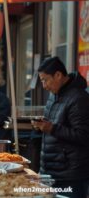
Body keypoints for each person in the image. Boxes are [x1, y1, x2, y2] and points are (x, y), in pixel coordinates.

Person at [32, 57, 89, 198]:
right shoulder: (54, 94)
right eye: (41, 81)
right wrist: (41, 125)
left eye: (45, 80)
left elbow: (84, 135)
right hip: (50, 170)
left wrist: (52, 128)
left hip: (70, 175)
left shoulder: (79, 98)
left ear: (58, 75)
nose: (44, 86)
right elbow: (54, 124)